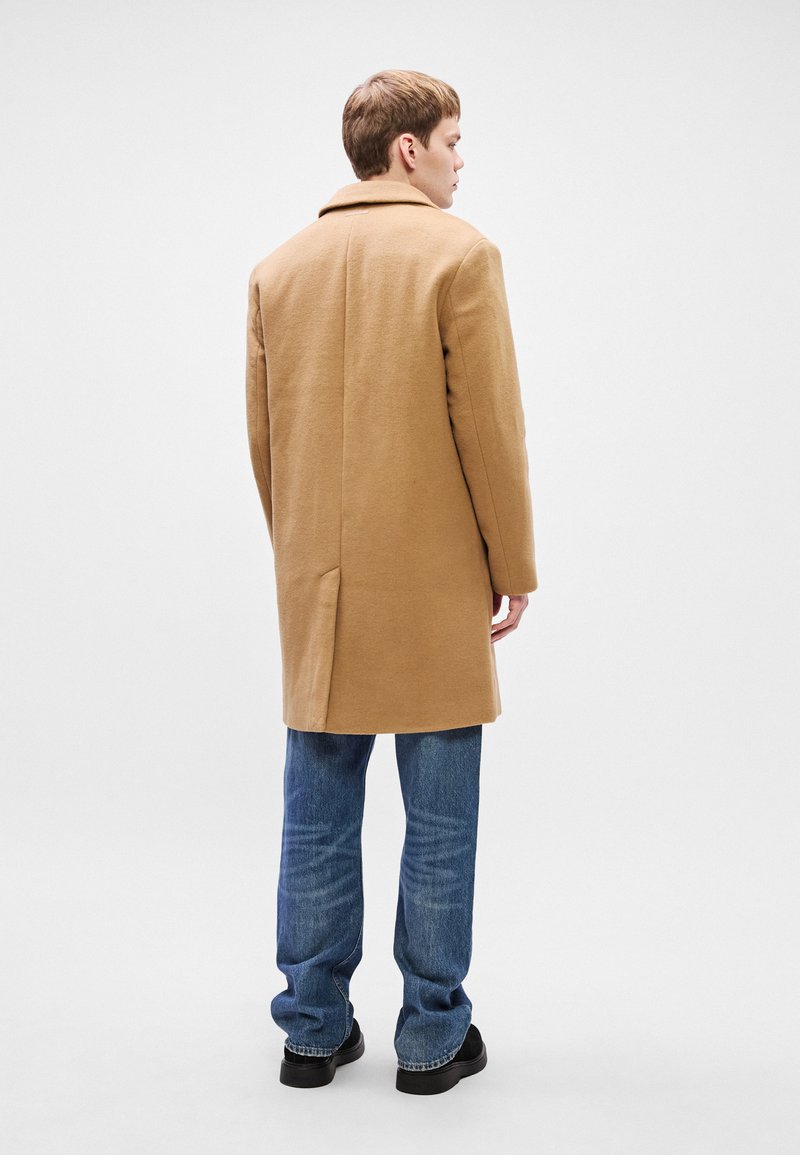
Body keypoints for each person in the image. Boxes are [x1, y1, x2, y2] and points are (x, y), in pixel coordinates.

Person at [245, 68, 538, 1095]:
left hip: (319, 585)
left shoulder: (278, 270)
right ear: (405, 150)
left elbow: (266, 446)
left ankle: (312, 1030)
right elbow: (489, 430)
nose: (462, 160)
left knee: (317, 809)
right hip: (432, 582)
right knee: (440, 817)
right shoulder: (459, 254)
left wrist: (301, 557)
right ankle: (430, 1036)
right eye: (453, 140)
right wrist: (512, 564)